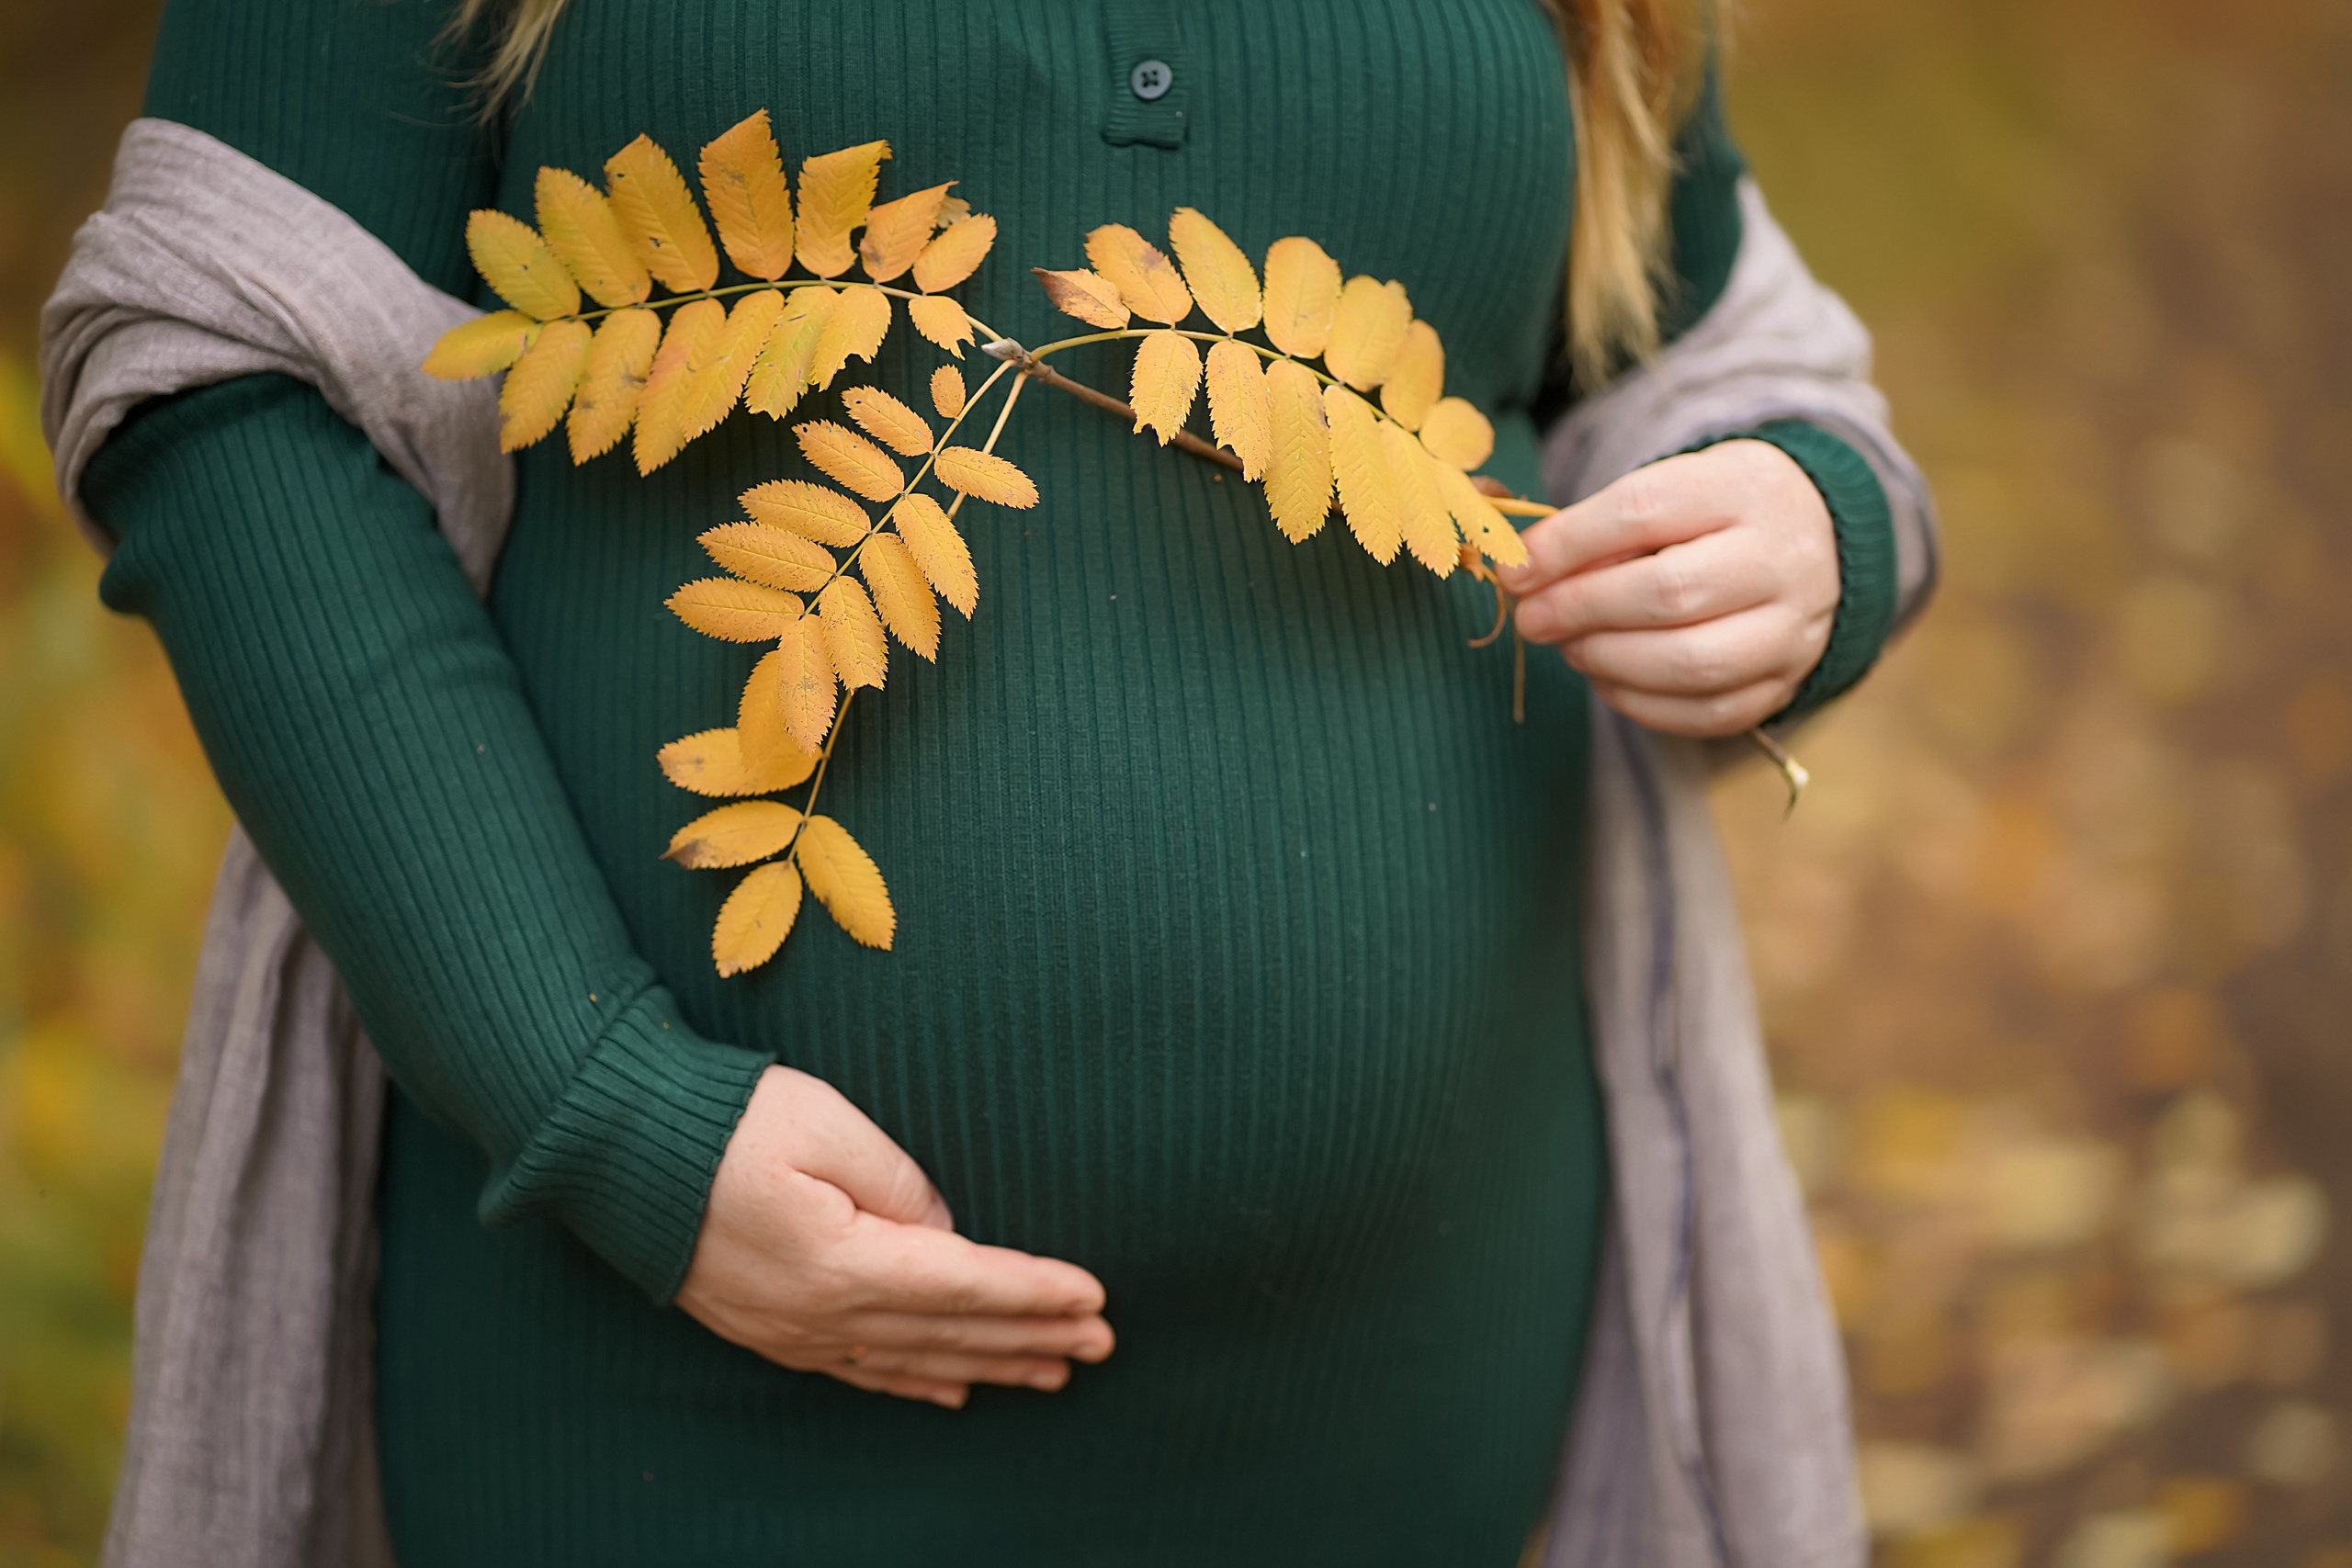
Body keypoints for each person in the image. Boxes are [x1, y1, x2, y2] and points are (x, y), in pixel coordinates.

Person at [53, 0, 1929, 1562]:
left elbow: (1698, 349)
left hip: (1411, 1401)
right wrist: (600, 1103)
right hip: (676, 1423)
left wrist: (1813, 527)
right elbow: (231, 378)